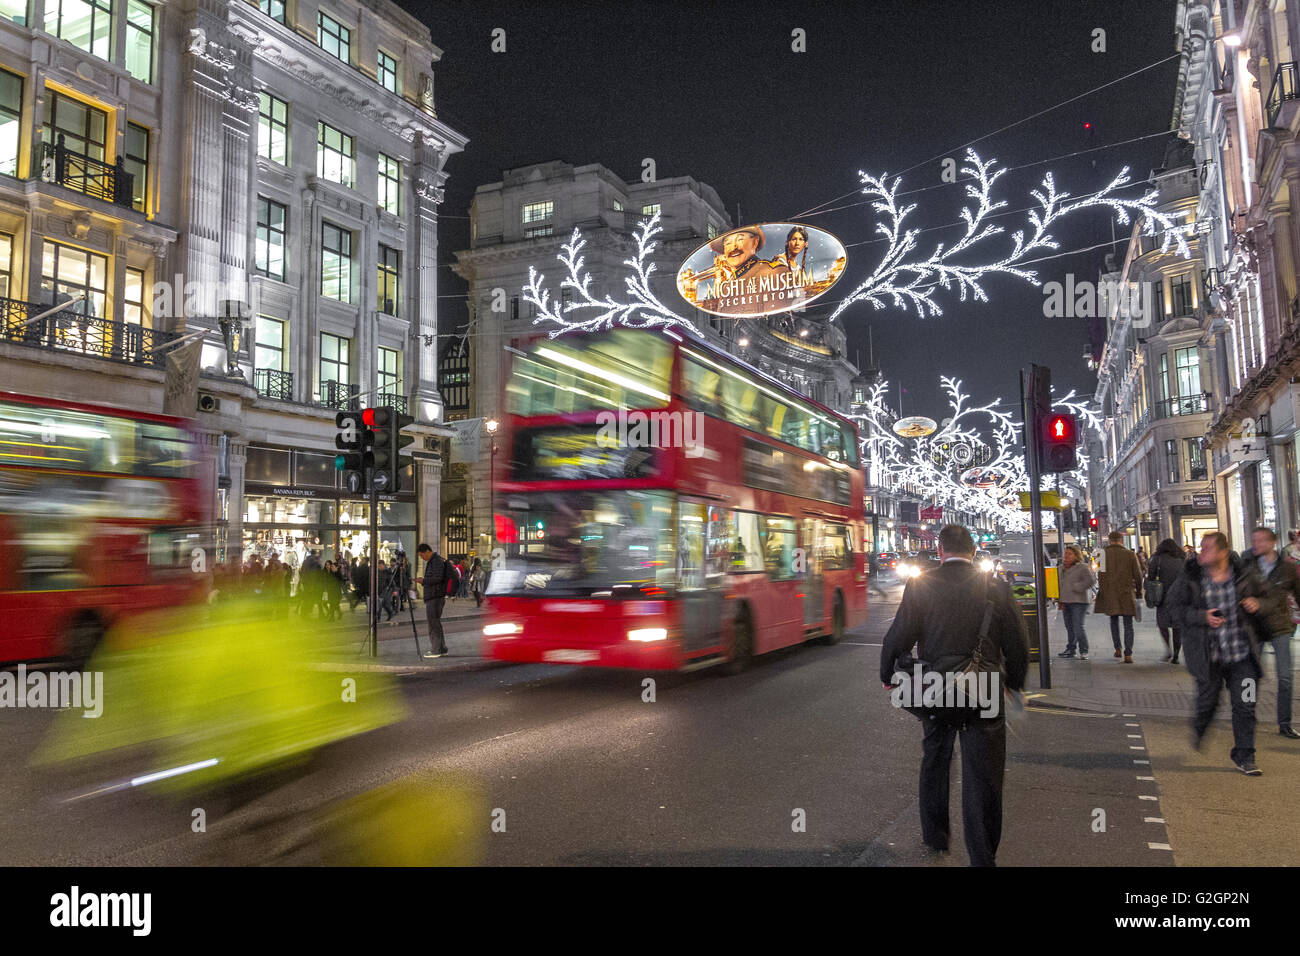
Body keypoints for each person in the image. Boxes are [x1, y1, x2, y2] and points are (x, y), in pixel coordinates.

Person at [880, 524, 1029, 867]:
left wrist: (888, 674)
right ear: (974, 551)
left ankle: (935, 838)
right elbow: (1018, 642)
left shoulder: (922, 584)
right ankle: (982, 854)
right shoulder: (996, 586)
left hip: (935, 686)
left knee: (935, 758)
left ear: (941, 550)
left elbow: (898, 633)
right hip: (985, 687)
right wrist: (1015, 683)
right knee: (985, 775)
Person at [1165, 531, 1271, 774]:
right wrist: (1201, 617)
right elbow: (1172, 609)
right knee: (1207, 703)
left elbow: (1270, 600)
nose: (1202, 552)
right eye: (1201, 548)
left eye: (1208, 548)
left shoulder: (1245, 573)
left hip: (1244, 656)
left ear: (1223, 552)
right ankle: (1200, 726)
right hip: (1208, 658)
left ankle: (1245, 755)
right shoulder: (1190, 576)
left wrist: (1258, 604)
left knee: (1246, 704)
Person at [1240, 527, 1300, 740]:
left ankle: (1285, 723)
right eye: (1254, 540)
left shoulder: (1287, 569)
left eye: (1261, 540)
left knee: (1285, 677)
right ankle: (1247, 716)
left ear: (1273, 542)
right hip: (1254, 628)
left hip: (1279, 626)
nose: (1256, 544)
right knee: (1250, 676)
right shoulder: (1246, 565)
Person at [1095, 532, 1143, 663]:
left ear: (1109, 541)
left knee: (1113, 621)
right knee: (1128, 624)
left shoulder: (1100, 554)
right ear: (1121, 540)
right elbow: (1138, 576)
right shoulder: (1130, 554)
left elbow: (1098, 576)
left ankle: (1117, 649)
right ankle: (1128, 654)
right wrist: (1139, 592)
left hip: (1110, 592)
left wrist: (1103, 591)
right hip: (1126, 592)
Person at [1149, 538, 1187, 664]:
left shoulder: (1157, 559)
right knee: (1177, 626)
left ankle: (1168, 649)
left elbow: (1151, 577)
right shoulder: (1182, 558)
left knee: (1163, 625)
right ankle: (1176, 653)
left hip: (1163, 596)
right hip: (1179, 597)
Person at [1057, 544, 1095, 660]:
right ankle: (1071, 649)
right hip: (1066, 600)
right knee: (1069, 626)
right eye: (1065, 554)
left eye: (1069, 554)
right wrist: (1059, 599)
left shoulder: (1082, 567)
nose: (1066, 556)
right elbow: (1059, 585)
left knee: (1078, 626)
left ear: (1076, 556)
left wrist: (1078, 587)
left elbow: (1091, 580)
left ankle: (1084, 650)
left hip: (1079, 601)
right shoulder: (1061, 568)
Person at [417, 543, 454, 658]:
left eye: (422, 555)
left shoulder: (436, 561)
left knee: (433, 624)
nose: (422, 558)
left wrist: (423, 581)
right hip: (435, 595)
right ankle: (441, 648)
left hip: (435, 596)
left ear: (427, 551)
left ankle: (436, 650)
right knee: (436, 623)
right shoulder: (435, 561)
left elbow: (437, 578)